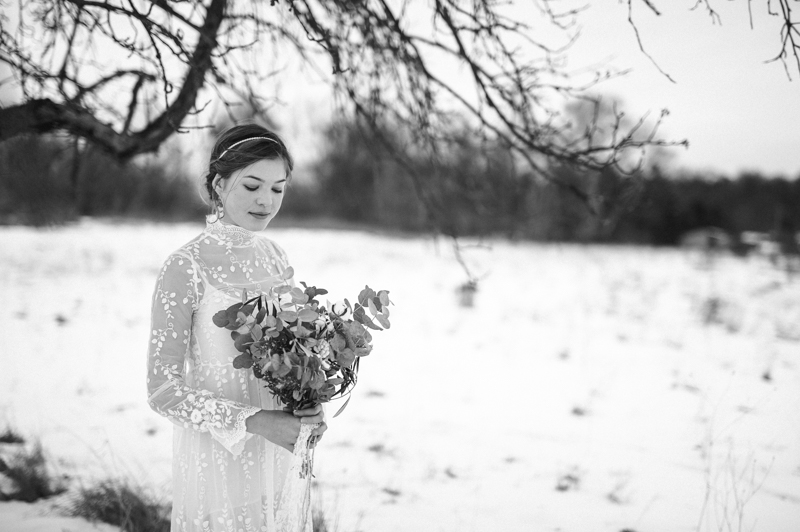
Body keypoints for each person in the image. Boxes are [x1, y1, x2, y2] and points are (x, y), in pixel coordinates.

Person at [146, 124, 327, 532]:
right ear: (219, 182)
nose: (265, 201)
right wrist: (255, 420)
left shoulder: (276, 257)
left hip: (278, 454)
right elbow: (162, 392)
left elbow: (293, 353)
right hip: (216, 459)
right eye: (251, 186)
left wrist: (309, 402)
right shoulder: (184, 265)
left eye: (277, 189)